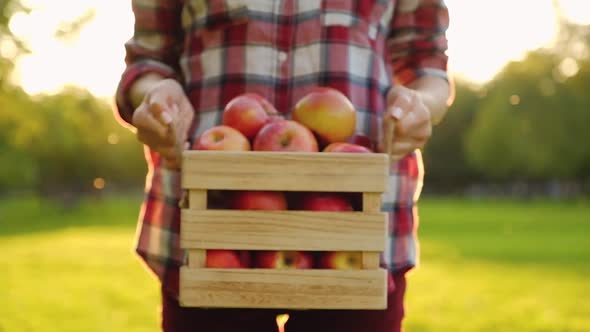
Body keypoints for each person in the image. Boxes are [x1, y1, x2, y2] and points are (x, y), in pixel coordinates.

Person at [114, 0, 452, 331]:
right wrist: (155, 95)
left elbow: (425, 64)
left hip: (357, 233)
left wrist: (420, 104)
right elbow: (149, 58)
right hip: (210, 230)